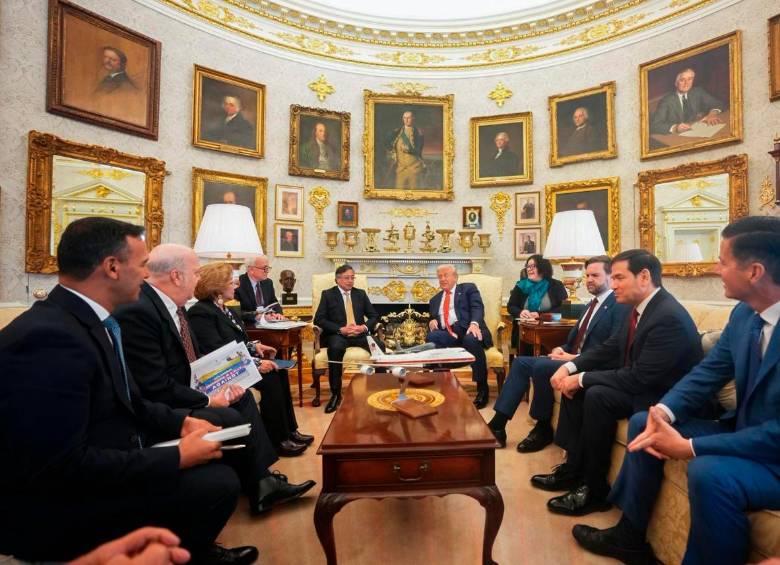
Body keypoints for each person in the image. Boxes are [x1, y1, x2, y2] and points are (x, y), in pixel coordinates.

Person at [0, 217, 257, 563]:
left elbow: (130, 400)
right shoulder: (50, 338)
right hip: (56, 508)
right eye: (143, 266)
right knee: (217, 483)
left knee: (219, 455)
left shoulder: (88, 319)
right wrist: (176, 455)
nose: (148, 275)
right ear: (112, 268)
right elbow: (60, 467)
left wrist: (180, 424)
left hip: (109, 454)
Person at [573, 216, 780, 565]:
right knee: (644, 422)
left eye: (723, 262)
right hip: (743, 429)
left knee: (709, 472)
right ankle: (630, 536)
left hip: (774, 455)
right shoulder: (745, 316)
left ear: (754, 271)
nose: (716, 270)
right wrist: (664, 411)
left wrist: (689, 446)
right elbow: (709, 372)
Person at [114, 244, 316, 489]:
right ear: (177, 276)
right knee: (237, 404)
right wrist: (208, 398)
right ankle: (260, 481)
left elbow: (198, 355)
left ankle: (263, 477)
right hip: (167, 401)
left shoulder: (171, 307)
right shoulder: (143, 310)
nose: (199, 279)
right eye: (196, 272)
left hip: (190, 384)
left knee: (249, 392)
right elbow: (155, 383)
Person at [535, 249, 702, 517]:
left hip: (662, 397)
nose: (612, 285)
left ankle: (594, 490)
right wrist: (570, 366)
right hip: (644, 387)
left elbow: (640, 377)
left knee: (595, 393)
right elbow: (612, 347)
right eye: (612, 278)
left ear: (644, 276)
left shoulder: (667, 316)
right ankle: (574, 472)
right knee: (581, 390)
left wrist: (581, 378)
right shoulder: (639, 309)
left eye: (619, 278)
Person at [489, 256, 628, 452]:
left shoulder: (618, 304)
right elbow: (575, 338)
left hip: (588, 365)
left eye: (595, 275)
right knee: (520, 363)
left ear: (610, 277)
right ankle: (497, 426)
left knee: (542, 366)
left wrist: (572, 359)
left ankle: (543, 427)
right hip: (570, 357)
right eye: (587, 275)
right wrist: (561, 348)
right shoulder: (591, 304)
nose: (589, 279)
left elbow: (612, 347)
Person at [187, 262, 313, 454]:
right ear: (217, 286)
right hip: (224, 372)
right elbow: (217, 352)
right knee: (270, 378)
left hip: (238, 365)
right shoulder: (201, 312)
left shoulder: (223, 308)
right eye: (231, 282)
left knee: (279, 372)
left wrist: (254, 346)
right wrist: (256, 362)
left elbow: (234, 341)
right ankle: (278, 440)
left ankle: (290, 431)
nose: (236, 286)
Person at [314, 264, 384, 413]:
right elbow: (319, 320)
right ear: (337, 279)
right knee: (335, 349)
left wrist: (363, 327)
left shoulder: (360, 294)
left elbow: (373, 316)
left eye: (353, 278)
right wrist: (340, 329)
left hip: (359, 334)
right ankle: (335, 394)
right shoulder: (328, 294)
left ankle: (380, 389)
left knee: (379, 346)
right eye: (347, 278)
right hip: (339, 334)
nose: (350, 281)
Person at [427, 264, 494, 408]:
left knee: (471, 338)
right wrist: (432, 321)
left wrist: (475, 323)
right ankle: (442, 383)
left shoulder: (468, 289)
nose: (442, 279)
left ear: (455, 277)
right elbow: (434, 318)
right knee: (432, 338)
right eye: (440, 276)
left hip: (469, 329)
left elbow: (477, 307)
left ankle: (482, 389)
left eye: (446, 275)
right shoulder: (434, 299)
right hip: (450, 334)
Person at [507, 254, 568, 354]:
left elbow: (564, 309)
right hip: (524, 331)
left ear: (543, 267)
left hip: (551, 331)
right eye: (528, 266)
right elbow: (511, 306)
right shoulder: (520, 286)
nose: (529, 269)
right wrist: (521, 312)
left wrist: (540, 315)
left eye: (533, 266)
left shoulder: (556, 285)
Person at [649, 68, 724, 135]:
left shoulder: (697, 92)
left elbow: (717, 103)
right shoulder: (667, 101)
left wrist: (712, 114)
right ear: (676, 83)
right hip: (676, 137)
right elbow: (655, 126)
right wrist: (675, 128)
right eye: (682, 80)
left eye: (690, 79)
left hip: (697, 130)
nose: (686, 83)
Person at [236, 255, 283, 322]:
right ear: (251, 269)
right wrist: (258, 317)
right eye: (264, 268)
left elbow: (274, 303)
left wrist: (278, 314)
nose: (267, 271)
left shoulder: (268, 283)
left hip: (268, 324)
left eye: (268, 268)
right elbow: (237, 312)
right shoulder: (238, 283)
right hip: (248, 326)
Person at [385, 110, 425, 189]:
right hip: (400, 169)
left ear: (413, 119)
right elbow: (387, 143)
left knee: (414, 193)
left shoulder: (418, 133)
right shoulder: (397, 132)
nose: (406, 120)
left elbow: (418, 151)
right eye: (404, 118)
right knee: (398, 193)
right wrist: (392, 152)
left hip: (414, 169)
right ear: (402, 119)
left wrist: (408, 150)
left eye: (409, 118)